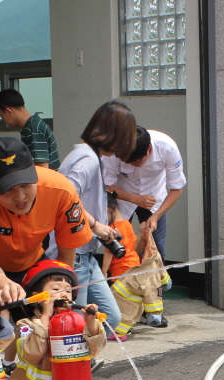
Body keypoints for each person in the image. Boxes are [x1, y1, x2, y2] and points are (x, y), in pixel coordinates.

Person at [0, 138, 94, 310]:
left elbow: (66, 258)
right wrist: (6, 285)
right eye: (8, 189)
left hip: (31, 265)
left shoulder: (61, 191)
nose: (20, 197)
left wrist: (61, 289)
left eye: (25, 185)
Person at [57, 100, 138, 332]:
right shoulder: (88, 159)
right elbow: (64, 198)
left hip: (86, 253)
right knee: (75, 324)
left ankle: (84, 352)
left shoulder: (88, 155)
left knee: (110, 318)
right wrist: (95, 225)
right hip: (76, 253)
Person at [5, 260, 105, 380]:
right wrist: (46, 316)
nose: (64, 294)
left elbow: (94, 349)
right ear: (37, 297)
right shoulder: (25, 325)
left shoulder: (75, 323)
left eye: (68, 291)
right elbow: (31, 354)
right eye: (56, 289)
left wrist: (91, 323)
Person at [104, 126, 186, 261]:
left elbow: (177, 189)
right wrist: (134, 198)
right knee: (118, 243)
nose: (133, 165)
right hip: (122, 196)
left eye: (137, 161)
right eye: (128, 162)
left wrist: (156, 216)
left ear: (149, 148)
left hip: (154, 197)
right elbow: (107, 185)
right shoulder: (114, 151)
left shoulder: (167, 148)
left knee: (156, 248)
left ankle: (153, 274)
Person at [104, 192, 171, 339]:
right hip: (133, 265)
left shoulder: (113, 229)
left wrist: (103, 272)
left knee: (120, 301)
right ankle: (127, 326)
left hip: (120, 270)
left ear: (108, 209)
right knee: (133, 301)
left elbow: (109, 253)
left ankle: (120, 331)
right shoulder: (126, 224)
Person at [0, 89, 60, 169]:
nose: (3, 120)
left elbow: (41, 169)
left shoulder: (34, 130)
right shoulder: (33, 126)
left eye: (1, 116)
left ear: (9, 111)